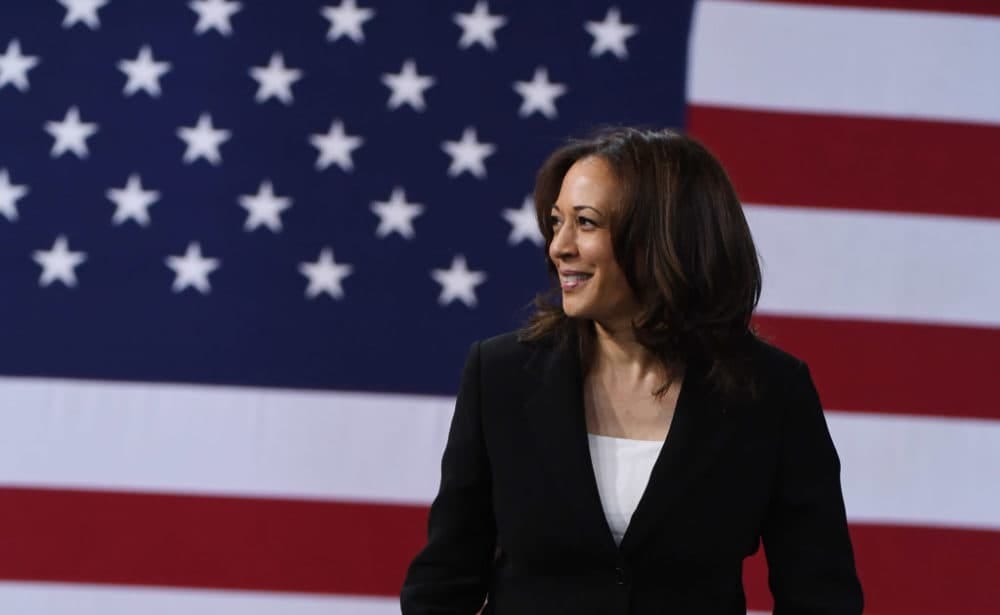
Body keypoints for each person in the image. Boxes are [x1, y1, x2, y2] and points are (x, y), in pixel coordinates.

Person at [400, 127, 863, 614]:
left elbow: (821, 596)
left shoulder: (770, 393)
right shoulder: (500, 375)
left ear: (663, 238)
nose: (559, 246)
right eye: (557, 222)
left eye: (586, 222)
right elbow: (443, 585)